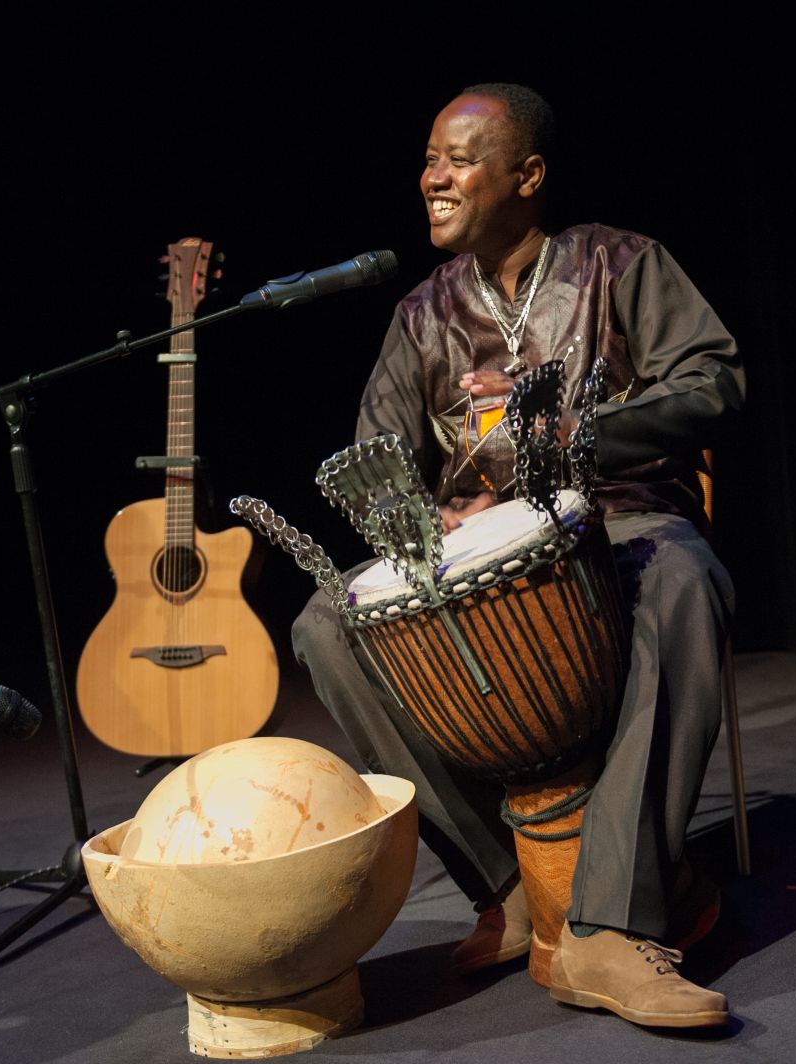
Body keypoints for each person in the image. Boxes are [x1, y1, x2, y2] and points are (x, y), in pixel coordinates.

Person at [291, 83, 744, 1029]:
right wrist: (419, 524)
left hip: (616, 520)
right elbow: (376, 460)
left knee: (689, 582)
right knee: (327, 625)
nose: (433, 177)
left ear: (527, 174)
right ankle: (510, 887)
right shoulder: (423, 313)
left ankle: (615, 922)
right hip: (474, 553)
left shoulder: (623, 265)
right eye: (428, 159)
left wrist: (570, 427)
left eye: (458, 159)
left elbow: (712, 383)